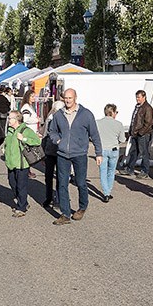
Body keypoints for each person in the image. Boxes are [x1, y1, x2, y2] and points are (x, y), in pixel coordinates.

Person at [47, 88, 103, 225]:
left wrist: (98, 153)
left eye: (70, 98)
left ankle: (82, 207)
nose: (67, 100)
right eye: (65, 98)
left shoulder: (86, 114)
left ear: (75, 98)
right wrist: (57, 140)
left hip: (79, 154)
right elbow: (52, 131)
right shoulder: (59, 115)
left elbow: (94, 135)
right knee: (62, 183)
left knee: (81, 182)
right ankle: (65, 214)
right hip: (62, 154)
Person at [4, 110, 41, 217]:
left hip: (21, 164)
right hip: (11, 163)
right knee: (12, 183)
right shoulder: (10, 130)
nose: (8, 120)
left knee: (21, 186)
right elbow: (8, 142)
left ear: (17, 119)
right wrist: (5, 148)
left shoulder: (25, 130)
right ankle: (23, 202)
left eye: (10, 118)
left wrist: (24, 138)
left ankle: (21, 208)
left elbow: (37, 141)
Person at [96, 104, 126, 203]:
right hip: (113, 149)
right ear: (112, 112)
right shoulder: (118, 124)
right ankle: (108, 191)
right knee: (111, 171)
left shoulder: (98, 123)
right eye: (116, 112)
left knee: (103, 172)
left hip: (102, 150)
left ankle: (106, 193)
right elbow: (122, 139)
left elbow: (93, 137)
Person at [122, 90, 153, 179]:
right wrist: (131, 131)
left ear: (144, 97)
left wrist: (141, 132)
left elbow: (148, 123)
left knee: (144, 153)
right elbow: (134, 120)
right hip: (135, 133)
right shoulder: (138, 107)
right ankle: (130, 168)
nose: (137, 99)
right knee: (134, 152)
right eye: (136, 97)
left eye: (139, 97)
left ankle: (145, 171)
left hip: (143, 134)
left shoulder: (147, 108)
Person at [41, 99, 64, 208]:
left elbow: (45, 135)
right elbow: (45, 134)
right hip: (53, 151)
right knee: (52, 177)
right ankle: (52, 198)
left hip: (57, 151)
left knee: (54, 177)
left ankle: (53, 198)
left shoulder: (59, 119)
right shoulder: (51, 119)